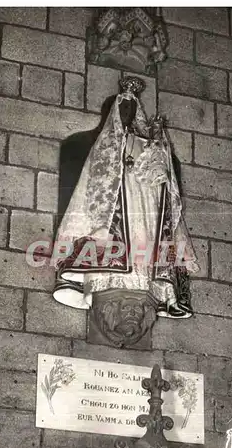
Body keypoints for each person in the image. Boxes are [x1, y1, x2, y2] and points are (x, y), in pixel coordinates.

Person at [52, 76, 199, 318]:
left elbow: (164, 187)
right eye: (123, 108)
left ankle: (150, 286)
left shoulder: (151, 145)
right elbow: (94, 185)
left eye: (131, 108)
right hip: (116, 210)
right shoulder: (104, 145)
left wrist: (156, 153)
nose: (127, 113)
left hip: (145, 209)